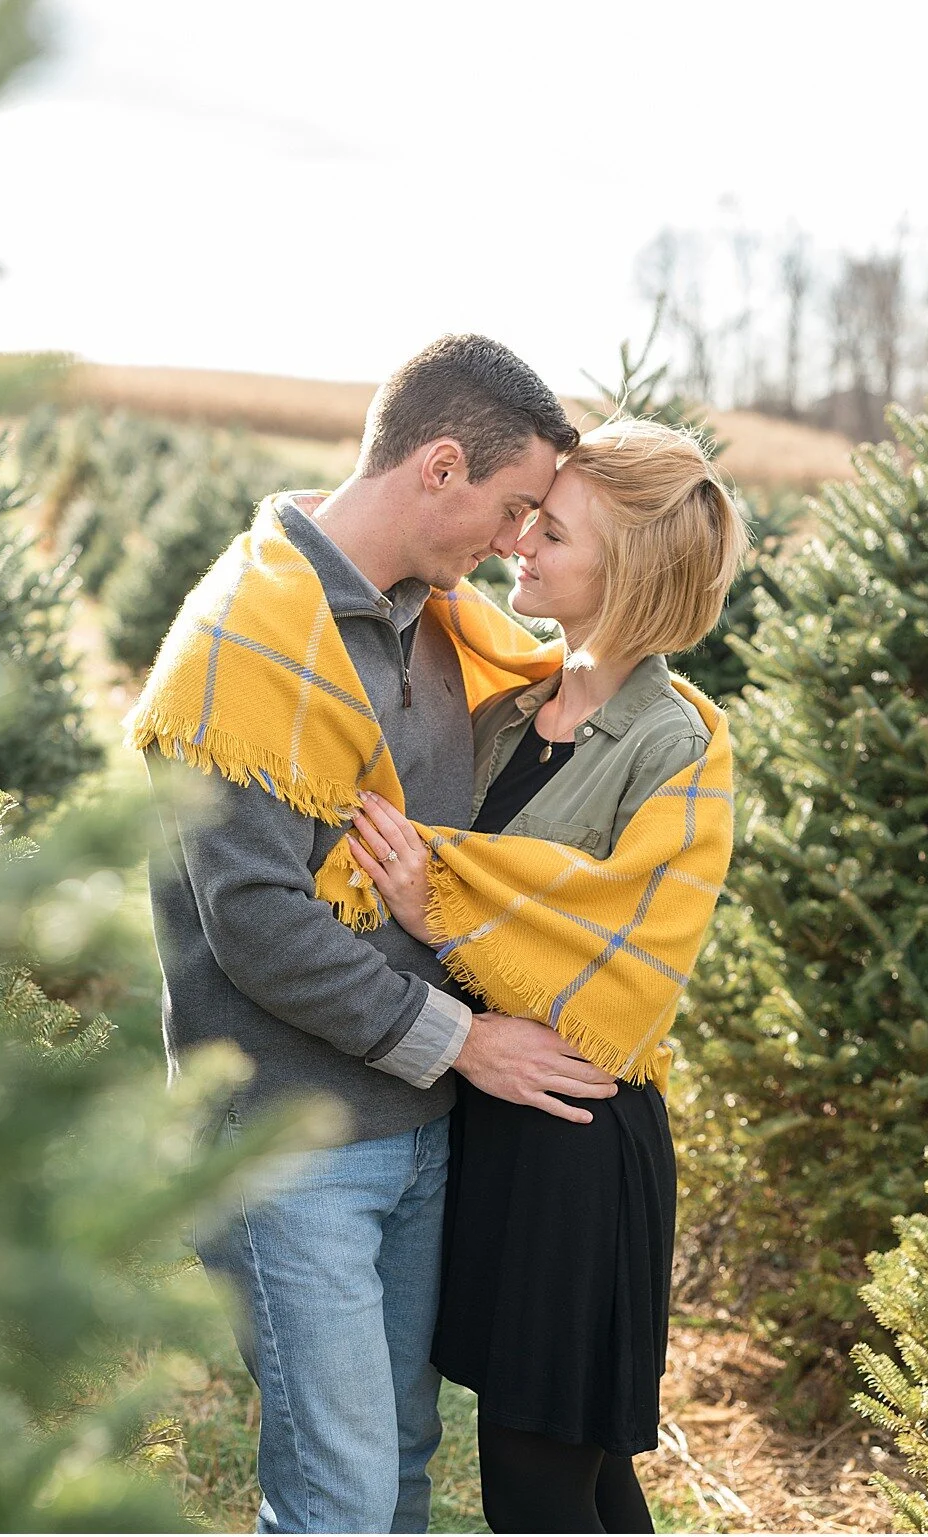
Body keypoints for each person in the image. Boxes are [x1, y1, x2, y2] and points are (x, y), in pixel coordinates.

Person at [129, 335, 625, 1535]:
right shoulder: (240, 639)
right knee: (335, 1493)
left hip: (417, 1134)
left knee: (397, 1461)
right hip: (287, 1144)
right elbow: (255, 923)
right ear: (439, 467)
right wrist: (465, 1043)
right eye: (512, 509)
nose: (515, 543)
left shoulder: (437, 627)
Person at [343, 417, 748, 1533]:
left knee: (537, 1480)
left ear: (625, 573)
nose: (518, 541)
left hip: (576, 1137)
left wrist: (445, 907)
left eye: (549, 530)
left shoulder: (672, 745)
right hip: (489, 1119)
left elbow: (628, 967)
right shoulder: (506, 712)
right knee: (572, 1475)